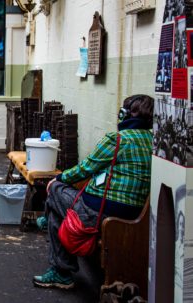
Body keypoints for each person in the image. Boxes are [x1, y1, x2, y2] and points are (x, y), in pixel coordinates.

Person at [32, 94, 154, 290]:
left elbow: (86, 168)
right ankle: (50, 223)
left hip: (98, 211)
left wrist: (60, 178)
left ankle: (62, 272)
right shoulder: (154, 141)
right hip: (136, 213)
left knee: (55, 190)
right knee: (56, 210)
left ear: (123, 115)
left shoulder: (118, 139)